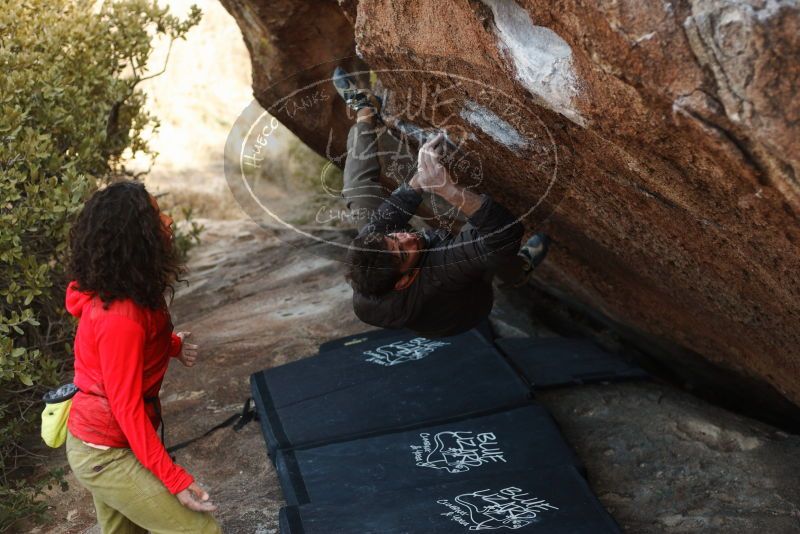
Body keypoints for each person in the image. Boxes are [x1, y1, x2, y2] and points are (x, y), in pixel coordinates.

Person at [333, 68, 549, 338]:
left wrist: (421, 181)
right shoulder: (440, 273)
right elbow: (505, 233)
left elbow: (388, 218)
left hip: (409, 279)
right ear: (403, 281)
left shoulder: (370, 255)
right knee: (490, 248)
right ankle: (517, 273)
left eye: (394, 238)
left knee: (358, 190)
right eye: (402, 252)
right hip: (465, 309)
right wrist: (447, 189)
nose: (407, 237)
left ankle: (365, 111)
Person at [64, 181, 221, 533]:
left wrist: (173, 345)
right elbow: (126, 408)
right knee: (201, 530)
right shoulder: (120, 317)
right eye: (155, 217)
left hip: (108, 442)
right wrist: (175, 479)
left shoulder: (129, 288)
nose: (168, 221)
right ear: (135, 238)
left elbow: (140, 342)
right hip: (105, 452)